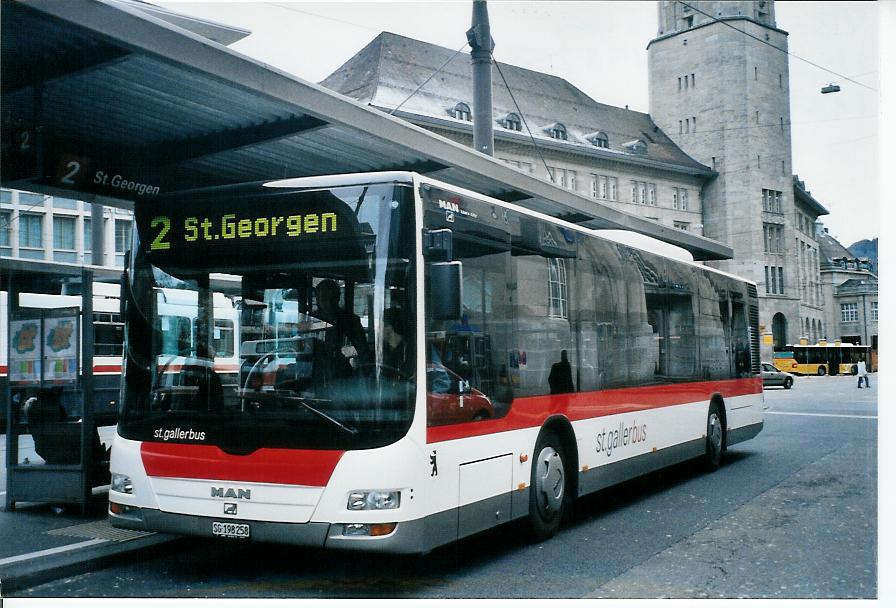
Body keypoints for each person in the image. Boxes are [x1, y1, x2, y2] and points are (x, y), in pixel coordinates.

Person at [314, 279, 370, 367]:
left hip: (341, 369)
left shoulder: (351, 321)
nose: (329, 303)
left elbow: (362, 350)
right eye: (324, 298)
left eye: (333, 298)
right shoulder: (312, 320)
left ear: (338, 298)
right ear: (317, 298)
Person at [382, 307, 411, 377]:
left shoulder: (418, 351)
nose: (376, 329)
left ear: (389, 327)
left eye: (380, 325)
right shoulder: (382, 351)